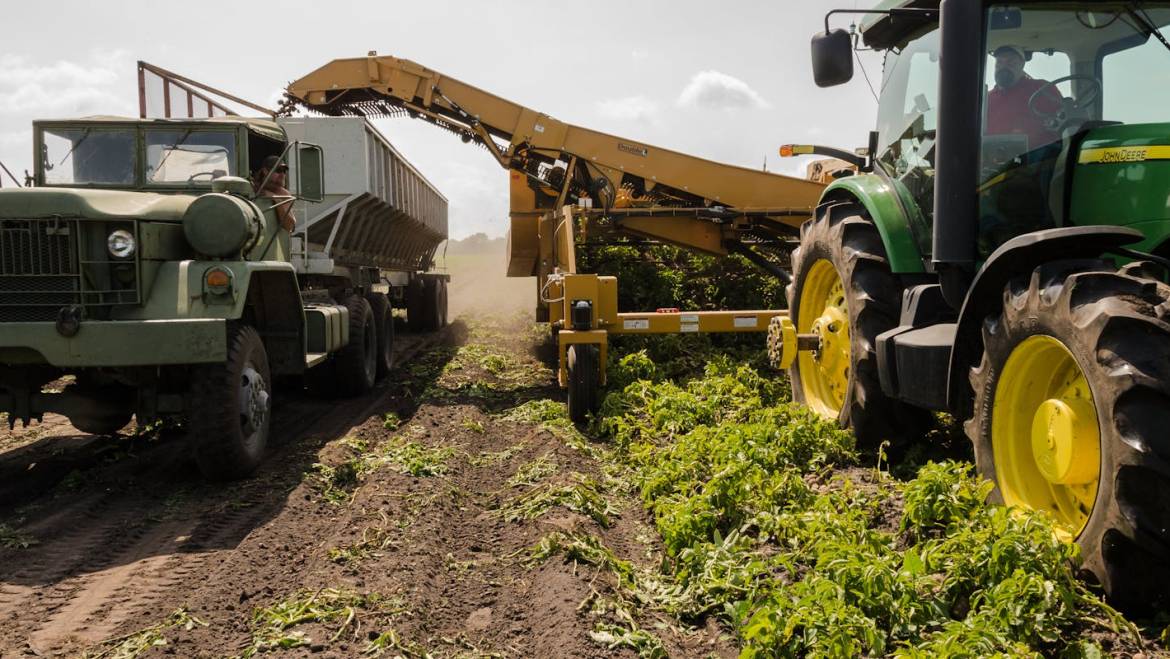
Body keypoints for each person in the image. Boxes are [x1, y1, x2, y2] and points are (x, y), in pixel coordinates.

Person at [986, 45, 1062, 149]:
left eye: (1011, 62)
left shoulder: (1043, 89)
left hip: (1038, 160)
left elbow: (1062, 123)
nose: (1004, 67)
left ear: (1022, 65)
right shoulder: (987, 99)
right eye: (999, 62)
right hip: (994, 161)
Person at [252, 155, 296, 232]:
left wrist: (276, 199)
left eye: (284, 171)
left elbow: (290, 226)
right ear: (265, 171)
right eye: (278, 170)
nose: (282, 175)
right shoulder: (251, 186)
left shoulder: (283, 194)